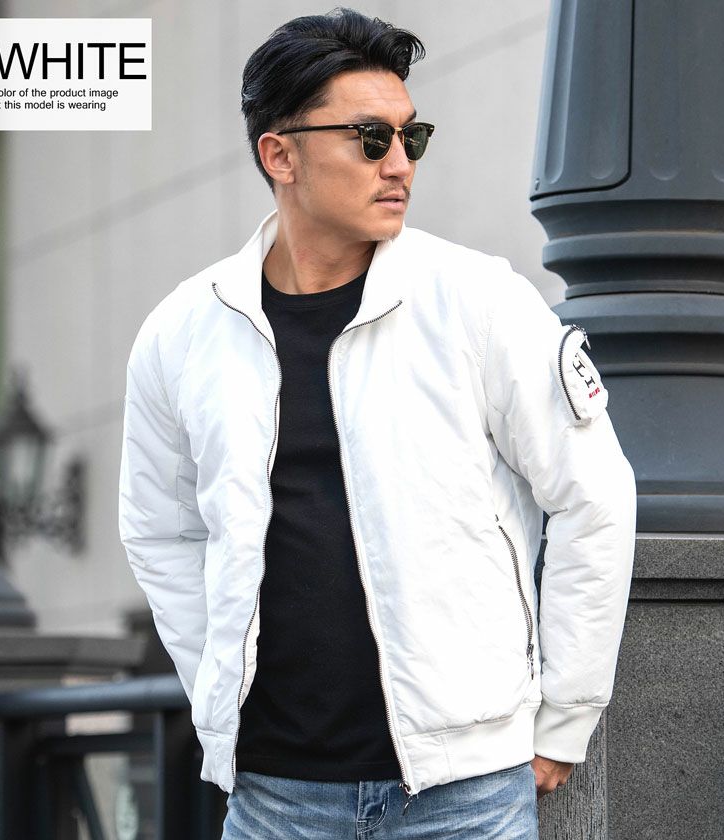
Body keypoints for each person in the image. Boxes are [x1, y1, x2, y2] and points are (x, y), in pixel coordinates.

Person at [118, 7, 637, 839]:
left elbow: (594, 497)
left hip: (465, 794)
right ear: (280, 155)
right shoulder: (183, 334)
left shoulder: (479, 302)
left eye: (410, 136)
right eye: (369, 139)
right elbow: (161, 531)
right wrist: (222, 691)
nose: (399, 164)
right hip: (275, 797)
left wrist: (564, 715)